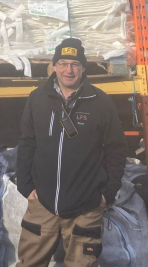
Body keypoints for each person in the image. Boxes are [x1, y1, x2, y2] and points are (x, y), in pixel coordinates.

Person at [16, 38, 127, 267]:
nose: (69, 70)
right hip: (42, 203)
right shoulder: (37, 99)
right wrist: (26, 186)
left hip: (86, 207)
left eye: (75, 64)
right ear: (54, 66)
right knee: (29, 263)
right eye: (63, 63)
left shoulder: (100, 102)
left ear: (83, 68)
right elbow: (27, 143)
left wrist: (107, 193)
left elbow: (116, 149)